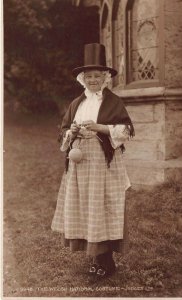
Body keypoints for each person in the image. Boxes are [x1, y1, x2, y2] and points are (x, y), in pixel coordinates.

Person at [51, 43, 134, 278]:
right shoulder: (77, 103)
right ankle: (98, 258)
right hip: (80, 162)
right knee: (86, 207)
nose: (93, 80)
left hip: (102, 163)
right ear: (82, 79)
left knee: (101, 207)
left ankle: (105, 261)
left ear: (106, 78)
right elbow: (63, 130)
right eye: (89, 76)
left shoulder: (112, 101)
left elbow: (126, 130)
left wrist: (101, 128)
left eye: (98, 75)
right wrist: (73, 131)